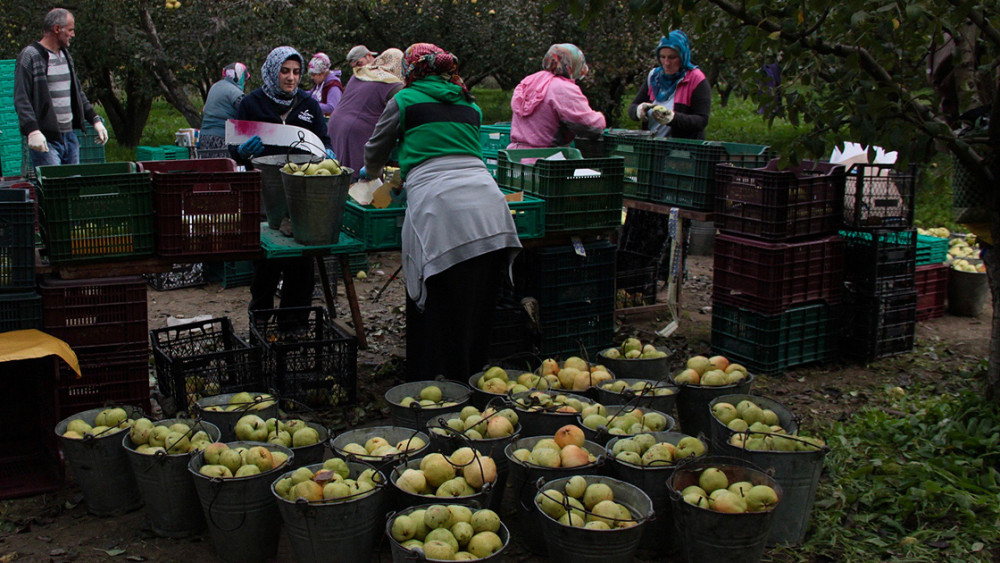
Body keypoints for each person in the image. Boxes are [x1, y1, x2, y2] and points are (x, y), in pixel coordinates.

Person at [361, 43, 522, 382]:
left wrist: (373, 172)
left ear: (410, 70)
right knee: (475, 306)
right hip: (491, 212)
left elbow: (376, 150)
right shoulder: (470, 104)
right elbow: (452, 150)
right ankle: (473, 380)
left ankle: (432, 383)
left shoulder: (404, 101)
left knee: (437, 303)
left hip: (442, 211)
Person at [230, 46, 336, 322]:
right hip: (266, 192)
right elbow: (233, 147)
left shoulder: (308, 105)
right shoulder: (251, 103)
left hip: (302, 192)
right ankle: (261, 323)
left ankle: (293, 325)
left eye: (296, 72)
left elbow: (323, 139)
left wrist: (327, 150)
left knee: (300, 264)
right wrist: (242, 151)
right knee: (266, 263)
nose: (291, 78)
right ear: (271, 71)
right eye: (285, 71)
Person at [14, 8, 108, 168]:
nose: (73, 34)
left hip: (70, 137)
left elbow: (77, 92)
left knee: (71, 188)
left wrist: (94, 119)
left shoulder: (65, 55)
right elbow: (21, 98)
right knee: (53, 189)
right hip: (47, 140)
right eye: (70, 30)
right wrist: (32, 131)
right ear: (57, 29)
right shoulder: (30, 56)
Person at [507, 43, 605, 149]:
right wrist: (600, 118)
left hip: (515, 154)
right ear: (573, 64)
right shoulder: (563, 88)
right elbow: (589, 126)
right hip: (546, 158)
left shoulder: (529, 81)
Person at [327, 48, 405, 180]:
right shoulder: (393, 84)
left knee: (336, 172)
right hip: (357, 130)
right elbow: (400, 113)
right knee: (360, 180)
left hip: (335, 123)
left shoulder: (361, 73)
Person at [628, 30, 711, 139]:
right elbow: (632, 108)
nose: (666, 63)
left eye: (672, 57)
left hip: (683, 151)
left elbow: (701, 121)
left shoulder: (695, 79)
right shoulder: (654, 77)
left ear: (682, 56)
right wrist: (639, 110)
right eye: (662, 57)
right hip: (652, 148)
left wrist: (673, 118)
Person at [198, 62, 249, 152]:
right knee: (225, 166)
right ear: (240, 77)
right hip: (222, 140)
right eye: (245, 80)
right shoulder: (235, 93)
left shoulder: (215, 86)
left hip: (204, 138)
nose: (245, 83)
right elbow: (248, 113)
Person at [306, 53, 343, 117]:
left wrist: (311, 104)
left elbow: (332, 108)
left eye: (314, 74)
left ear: (322, 73)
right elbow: (311, 94)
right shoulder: (320, 83)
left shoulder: (333, 86)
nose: (312, 77)